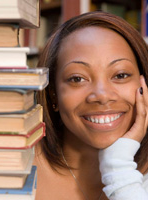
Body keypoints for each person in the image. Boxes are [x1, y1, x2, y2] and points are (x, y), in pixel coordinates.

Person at [33, 11, 148, 200]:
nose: (102, 96)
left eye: (120, 75)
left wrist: (119, 166)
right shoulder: (16, 169)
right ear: (53, 94)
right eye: (77, 78)